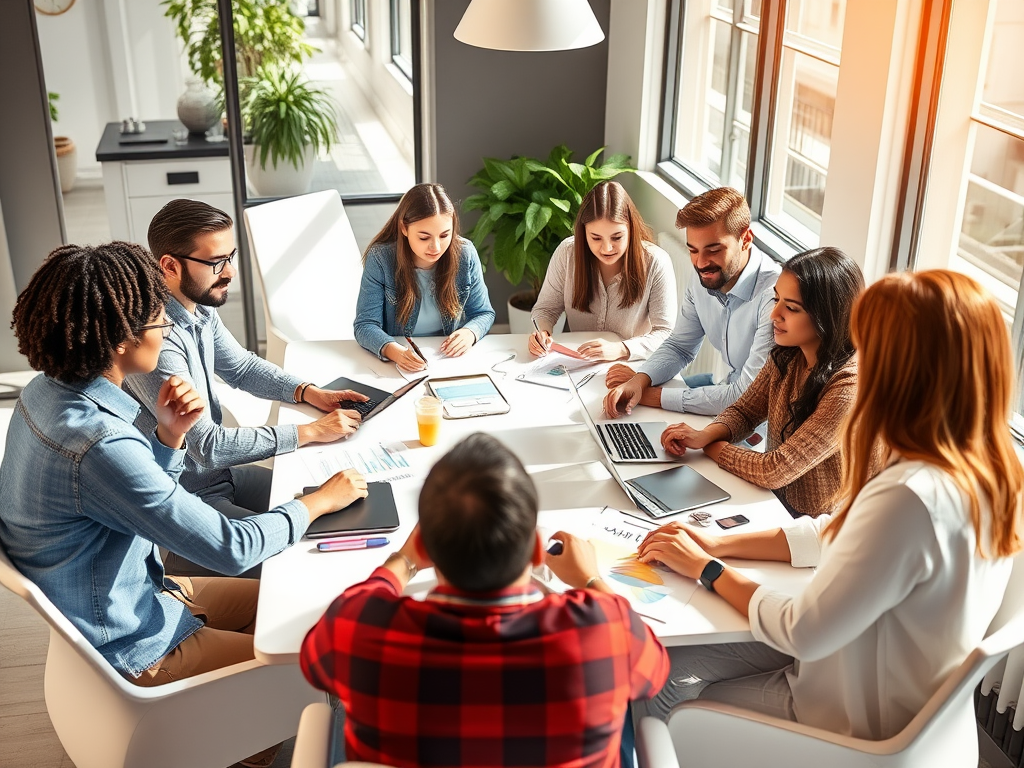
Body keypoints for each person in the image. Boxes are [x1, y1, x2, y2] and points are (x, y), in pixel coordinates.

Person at [0, 243, 366, 767]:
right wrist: (317, 503)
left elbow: (128, 497)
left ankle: (244, 737)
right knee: (323, 656)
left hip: (137, 595)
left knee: (291, 605)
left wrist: (169, 439)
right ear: (123, 339)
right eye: (159, 322)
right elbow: (229, 546)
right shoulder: (98, 443)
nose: (167, 331)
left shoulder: (44, 394)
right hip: (140, 641)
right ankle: (240, 746)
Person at [631, 270, 1023, 741]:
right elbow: (833, 531)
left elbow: (803, 631)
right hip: (904, 698)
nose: (859, 362)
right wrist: (716, 542)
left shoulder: (910, 497)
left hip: (848, 717)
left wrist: (708, 569)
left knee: (654, 679)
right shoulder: (990, 469)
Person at [300, 433, 669, 768]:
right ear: (538, 550)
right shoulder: (606, 628)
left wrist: (404, 560)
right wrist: (591, 580)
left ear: (427, 547)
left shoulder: (361, 628)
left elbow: (314, 664)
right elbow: (654, 674)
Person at [124, 200, 367, 572]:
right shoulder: (157, 341)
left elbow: (240, 366)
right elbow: (207, 446)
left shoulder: (198, 308)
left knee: (339, 504)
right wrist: (311, 430)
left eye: (231, 256)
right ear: (170, 266)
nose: (231, 272)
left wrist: (309, 391)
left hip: (217, 478)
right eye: (216, 262)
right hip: (188, 499)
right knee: (302, 562)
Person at [659, 247, 868, 518]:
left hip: (817, 529)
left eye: (791, 308)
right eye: (776, 299)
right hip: (773, 504)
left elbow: (774, 469)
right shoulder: (787, 354)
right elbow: (744, 411)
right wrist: (705, 434)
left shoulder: (848, 389)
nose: (774, 314)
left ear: (827, 316)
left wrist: (707, 446)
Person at [603, 187, 780, 417]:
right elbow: (680, 346)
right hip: (727, 405)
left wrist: (652, 396)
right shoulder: (705, 277)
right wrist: (639, 381)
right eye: (693, 250)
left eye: (713, 250)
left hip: (763, 425)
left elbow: (745, 396)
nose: (701, 262)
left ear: (745, 239)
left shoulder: (774, 297)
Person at [528, 180, 677, 362]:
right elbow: (545, 309)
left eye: (617, 237)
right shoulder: (567, 253)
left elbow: (665, 333)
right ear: (583, 233)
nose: (607, 248)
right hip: (576, 364)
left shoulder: (656, 262)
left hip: (630, 368)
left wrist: (621, 349)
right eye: (596, 238)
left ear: (631, 229)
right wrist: (542, 333)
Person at [354, 183, 495, 372]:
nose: (436, 247)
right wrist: (396, 352)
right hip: (397, 363)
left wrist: (470, 333)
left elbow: (483, 313)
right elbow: (365, 325)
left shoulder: (465, 254)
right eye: (424, 237)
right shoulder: (380, 258)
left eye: (445, 235)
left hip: (449, 361)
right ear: (404, 228)